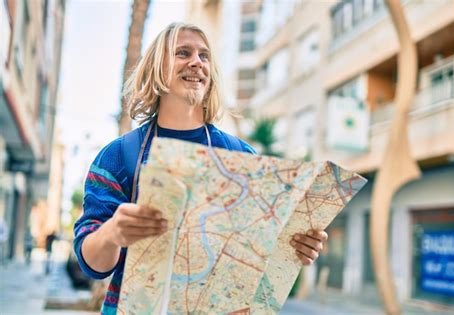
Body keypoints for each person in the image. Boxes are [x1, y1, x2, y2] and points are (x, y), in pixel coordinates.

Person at [73, 22, 328, 314]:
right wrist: (111, 233)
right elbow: (93, 266)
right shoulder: (118, 156)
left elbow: (257, 258)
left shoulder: (242, 156)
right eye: (183, 53)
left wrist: (296, 247)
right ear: (157, 68)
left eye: (204, 56)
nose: (197, 62)